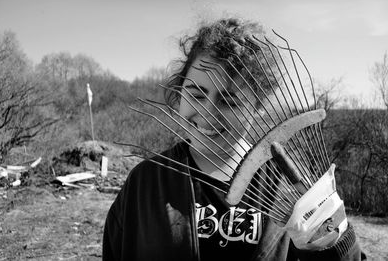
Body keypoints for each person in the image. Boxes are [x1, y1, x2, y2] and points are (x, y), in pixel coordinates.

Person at [103, 18, 364, 260]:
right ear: (179, 91)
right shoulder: (145, 182)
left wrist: (339, 240)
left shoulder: (290, 187)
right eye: (196, 94)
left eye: (230, 101)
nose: (208, 113)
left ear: (258, 105)